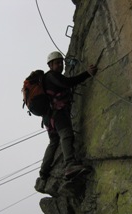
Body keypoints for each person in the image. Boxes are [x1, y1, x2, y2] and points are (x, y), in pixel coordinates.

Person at [36, 51, 97, 193]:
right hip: (58, 112)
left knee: (54, 142)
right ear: (50, 65)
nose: (60, 65)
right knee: (66, 134)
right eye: (57, 62)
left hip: (48, 117)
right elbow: (67, 83)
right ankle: (70, 164)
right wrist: (87, 73)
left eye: (61, 62)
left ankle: (44, 172)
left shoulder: (46, 80)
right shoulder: (51, 76)